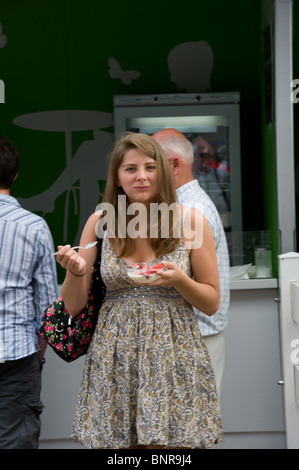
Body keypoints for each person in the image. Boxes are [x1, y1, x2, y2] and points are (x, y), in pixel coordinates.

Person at [55, 131, 223, 449]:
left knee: (170, 450)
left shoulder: (191, 221)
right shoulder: (100, 221)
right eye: (130, 169)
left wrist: (179, 280)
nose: (141, 176)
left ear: (162, 170)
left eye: (149, 167)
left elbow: (212, 302)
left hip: (172, 355)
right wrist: (75, 273)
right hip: (114, 357)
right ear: (117, 178)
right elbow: (73, 306)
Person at [152, 129, 230, 395]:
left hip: (197, 337)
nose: (145, 174)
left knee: (196, 431)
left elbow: (206, 292)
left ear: (174, 164)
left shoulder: (193, 212)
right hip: (189, 336)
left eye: (152, 164)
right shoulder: (180, 206)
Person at [0, 137, 58, 449]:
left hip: (21, 354)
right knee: (15, 441)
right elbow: (48, 306)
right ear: (15, 175)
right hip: (19, 354)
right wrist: (38, 356)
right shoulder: (35, 227)